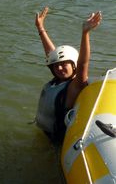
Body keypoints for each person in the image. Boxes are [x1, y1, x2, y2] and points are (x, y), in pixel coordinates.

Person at [35, 7, 102, 143]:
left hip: (57, 142)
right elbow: (51, 54)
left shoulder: (74, 86)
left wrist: (85, 33)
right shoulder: (57, 80)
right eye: (56, 65)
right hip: (44, 135)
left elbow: (83, 63)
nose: (59, 68)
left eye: (65, 64)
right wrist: (40, 28)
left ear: (74, 66)